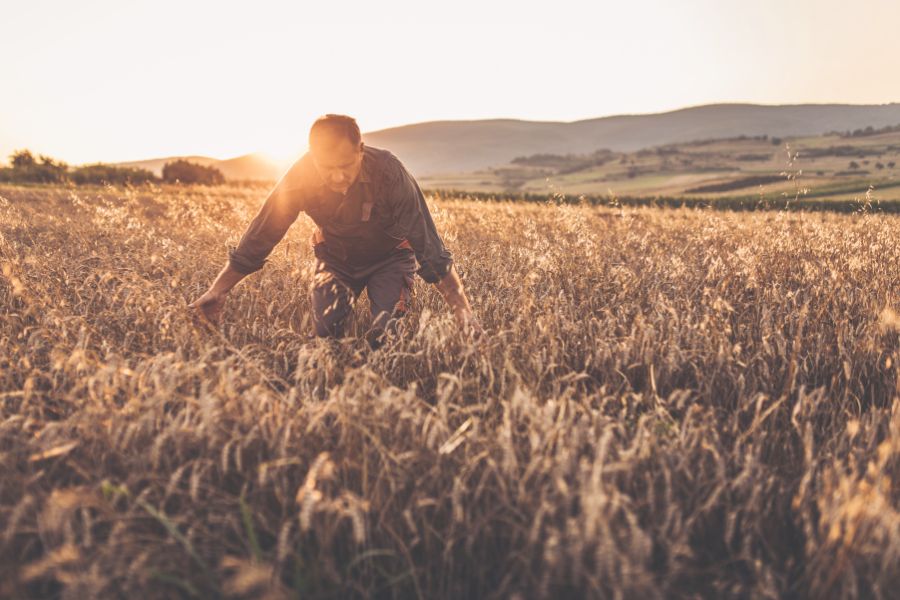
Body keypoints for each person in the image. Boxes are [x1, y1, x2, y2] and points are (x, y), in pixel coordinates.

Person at [189, 114, 479, 348]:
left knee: (387, 336)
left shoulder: (390, 173)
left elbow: (428, 245)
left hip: (390, 258)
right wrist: (218, 290)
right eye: (327, 167)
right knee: (328, 339)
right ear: (312, 156)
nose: (337, 176)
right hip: (335, 261)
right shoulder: (299, 177)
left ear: (361, 151)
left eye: (346, 165)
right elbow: (261, 235)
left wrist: (461, 308)